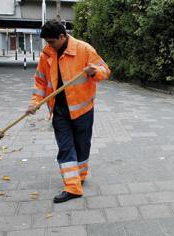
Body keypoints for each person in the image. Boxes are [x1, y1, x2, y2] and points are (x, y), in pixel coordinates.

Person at [26, 20, 110, 203]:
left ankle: (80, 175)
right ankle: (72, 187)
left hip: (83, 109)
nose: (49, 46)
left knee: (82, 145)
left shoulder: (84, 49)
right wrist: (35, 102)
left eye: (52, 42)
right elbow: (40, 81)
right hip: (59, 110)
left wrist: (94, 71)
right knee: (65, 147)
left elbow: (105, 71)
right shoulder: (47, 54)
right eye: (47, 42)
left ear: (62, 37)